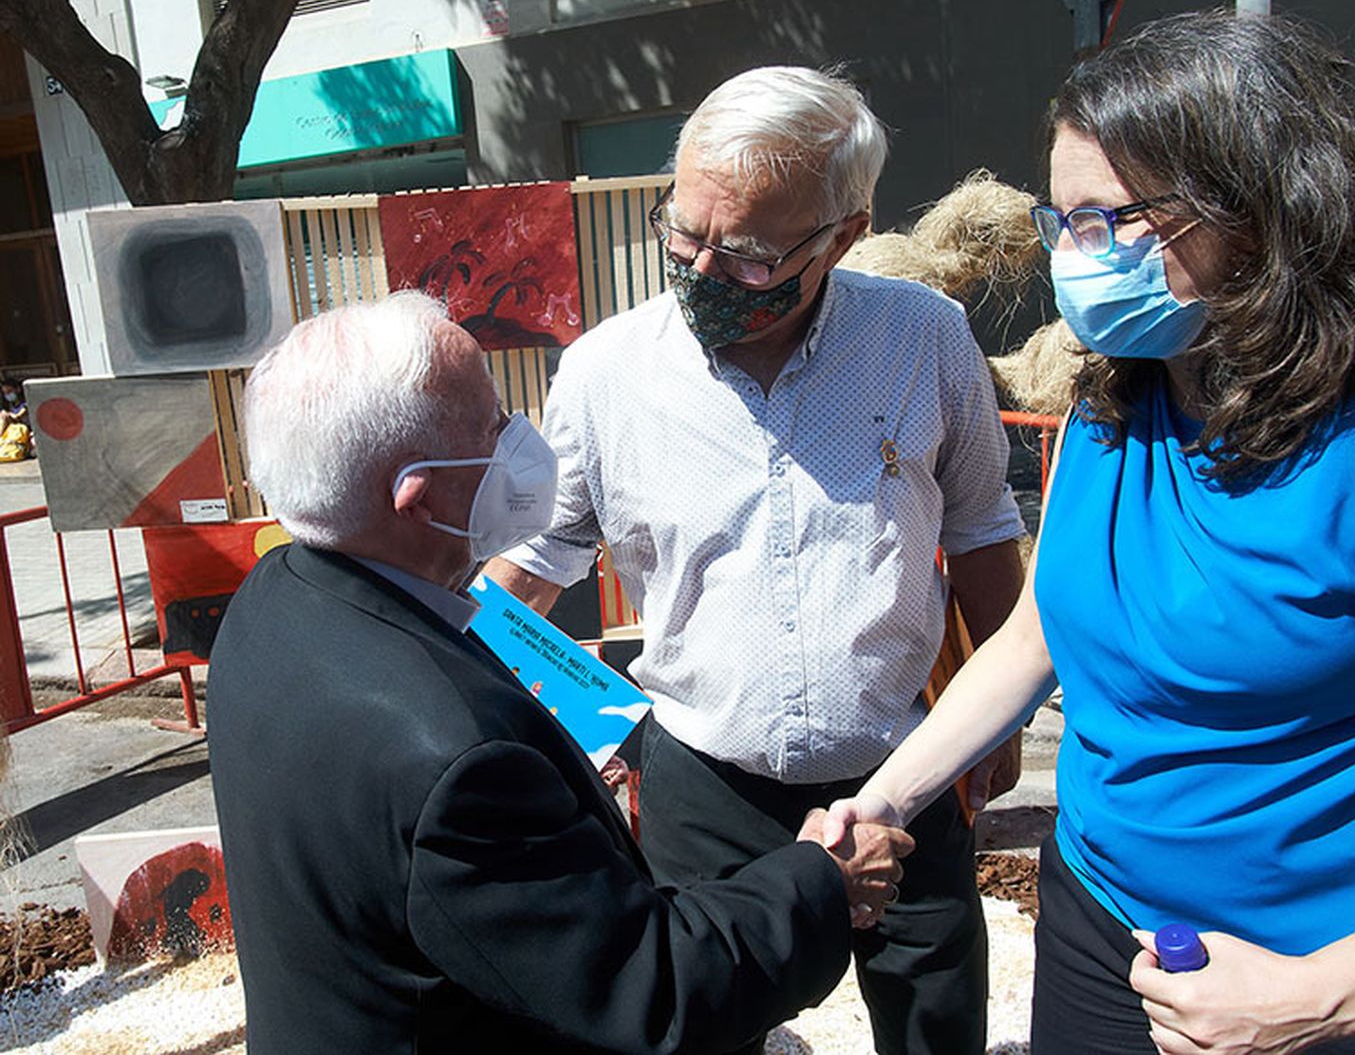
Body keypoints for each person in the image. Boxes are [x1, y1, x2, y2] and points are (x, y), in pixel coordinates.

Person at [825, 11, 1355, 1055]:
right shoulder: (1118, 393)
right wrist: (882, 801)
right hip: (1105, 920)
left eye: (1106, 220)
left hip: (1345, 977)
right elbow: (1039, 636)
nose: (1074, 260)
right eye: (1061, 224)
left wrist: (1342, 985)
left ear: (1259, 209)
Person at [205, 291, 914, 1055]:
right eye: (492, 423)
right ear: (418, 496)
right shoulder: (454, 763)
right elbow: (652, 991)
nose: (522, 439)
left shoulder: (273, 600)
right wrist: (822, 881)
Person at [487, 66, 1027, 1055]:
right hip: (702, 785)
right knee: (702, 1032)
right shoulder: (606, 374)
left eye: (741, 255)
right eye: (681, 234)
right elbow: (522, 579)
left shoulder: (924, 340)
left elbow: (982, 526)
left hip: (902, 767)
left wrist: (996, 716)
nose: (698, 269)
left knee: (935, 1023)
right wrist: (597, 727)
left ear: (842, 236)